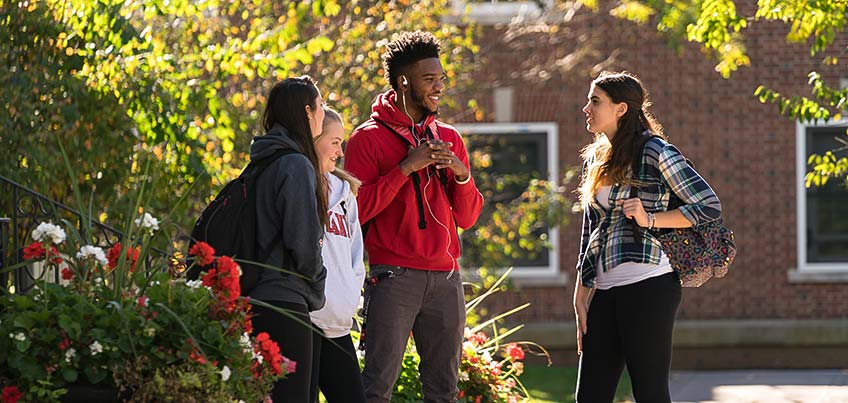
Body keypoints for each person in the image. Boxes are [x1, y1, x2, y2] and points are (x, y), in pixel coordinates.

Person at [344, 31, 484, 402]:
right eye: (429, 79)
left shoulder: (450, 137)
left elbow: (468, 217)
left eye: (441, 77)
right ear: (404, 81)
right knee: (376, 387)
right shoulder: (366, 139)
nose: (439, 86)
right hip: (394, 278)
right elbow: (355, 211)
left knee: (444, 391)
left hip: (446, 279)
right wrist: (405, 168)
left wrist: (460, 173)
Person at [573, 71, 722, 403]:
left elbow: (707, 205)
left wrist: (650, 218)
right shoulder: (597, 157)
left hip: (649, 287)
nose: (586, 108)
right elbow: (590, 229)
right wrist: (581, 293)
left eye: (595, 101)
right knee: (590, 396)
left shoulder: (654, 151)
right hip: (605, 291)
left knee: (650, 392)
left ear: (621, 109)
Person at [248, 75, 328, 402]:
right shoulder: (295, 164)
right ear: (307, 112)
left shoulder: (260, 163)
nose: (324, 114)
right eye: (321, 106)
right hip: (286, 300)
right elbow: (303, 241)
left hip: (255, 298)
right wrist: (319, 281)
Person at [309, 105, 367, 402]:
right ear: (313, 139)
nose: (340, 151)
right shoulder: (297, 185)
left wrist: (349, 292)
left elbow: (355, 255)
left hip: (337, 324)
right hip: (304, 319)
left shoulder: (345, 193)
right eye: (334, 142)